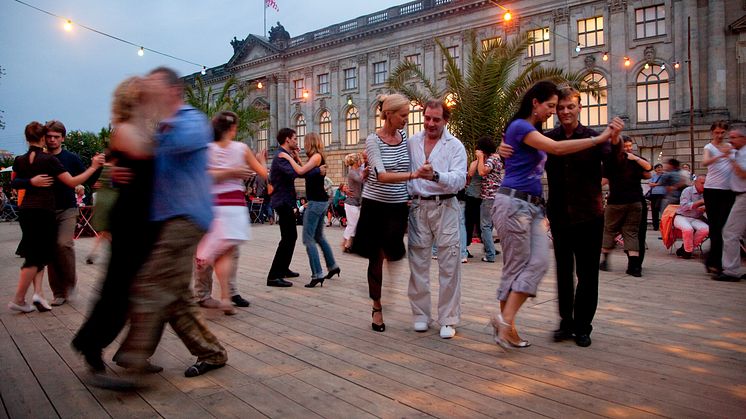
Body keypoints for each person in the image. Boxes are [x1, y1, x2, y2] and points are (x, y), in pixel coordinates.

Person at [490, 81, 623, 350]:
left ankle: (582, 327)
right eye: (557, 107)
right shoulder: (546, 135)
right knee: (559, 271)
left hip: (587, 213)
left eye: (568, 106)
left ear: (579, 107)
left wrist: (614, 140)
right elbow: (524, 153)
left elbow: (614, 165)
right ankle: (559, 323)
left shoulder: (589, 136)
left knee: (583, 273)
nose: (562, 111)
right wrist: (501, 149)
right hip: (551, 212)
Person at [114, 67, 227, 379]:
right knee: (175, 294)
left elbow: (164, 146)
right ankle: (211, 352)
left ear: (173, 91)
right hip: (169, 218)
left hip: (187, 217)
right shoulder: (163, 126)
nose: (148, 95)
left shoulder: (190, 120)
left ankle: (134, 357)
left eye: (153, 88)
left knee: (151, 282)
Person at [72, 76, 159, 378]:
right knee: (118, 288)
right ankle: (90, 342)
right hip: (131, 218)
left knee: (127, 288)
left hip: (143, 216)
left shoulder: (139, 131)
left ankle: (103, 345)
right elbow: (148, 156)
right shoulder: (125, 131)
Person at [352, 93, 430, 332]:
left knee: (393, 254)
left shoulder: (405, 137)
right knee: (376, 257)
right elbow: (381, 176)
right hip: (375, 206)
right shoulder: (373, 141)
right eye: (403, 115)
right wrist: (413, 176)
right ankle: (377, 306)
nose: (406, 119)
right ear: (389, 114)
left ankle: (383, 291)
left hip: (397, 206)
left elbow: (415, 157)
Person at [9, 122, 103, 313]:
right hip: (43, 211)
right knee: (47, 251)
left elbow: (84, 179)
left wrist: (85, 182)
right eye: (49, 136)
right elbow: (16, 181)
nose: (52, 139)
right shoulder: (35, 159)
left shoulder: (70, 158)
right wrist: (31, 182)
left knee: (63, 244)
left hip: (67, 208)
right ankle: (57, 293)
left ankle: (67, 285)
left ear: (63, 138)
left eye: (56, 136)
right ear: (43, 137)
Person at [193, 110, 268, 314]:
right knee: (226, 254)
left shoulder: (206, 149)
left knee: (211, 252)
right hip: (235, 205)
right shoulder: (241, 148)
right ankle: (226, 297)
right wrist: (260, 160)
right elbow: (263, 174)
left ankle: (207, 292)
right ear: (233, 128)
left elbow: (201, 176)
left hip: (212, 205)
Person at [406, 100, 467, 339]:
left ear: (445, 120)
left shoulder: (455, 146)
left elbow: (460, 179)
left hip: (446, 206)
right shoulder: (413, 142)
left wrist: (436, 175)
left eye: (436, 119)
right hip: (419, 206)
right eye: (427, 118)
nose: (431, 123)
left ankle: (448, 318)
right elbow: (406, 171)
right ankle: (421, 315)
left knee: (449, 263)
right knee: (417, 263)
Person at [279, 132, 340, 288]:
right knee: (319, 236)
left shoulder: (316, 157)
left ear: (310, 143)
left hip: (315, 203)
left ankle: (317, 274)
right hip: (321, 201)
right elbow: (306, 174)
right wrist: (298, 159)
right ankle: (332, 266)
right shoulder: (317, 157)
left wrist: (288, 158)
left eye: (305, 142)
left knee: (308, 239)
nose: (302, 144)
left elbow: (300, 172)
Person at [266, 128, 324, 287]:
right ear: (287, 140)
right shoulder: (280, 157)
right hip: (282, 201)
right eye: (294, 138)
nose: (296, 141)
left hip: (286, 201)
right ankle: (273, 276)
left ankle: (283, 269)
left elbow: (300, 171)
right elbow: (298, 174)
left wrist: (297, 158)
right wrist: (318, 170)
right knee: (288, 237)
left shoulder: (286, 156)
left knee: (291, 236)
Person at [600, 137, 652, 277]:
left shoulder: (610, 161)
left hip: (616, 201)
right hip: (635, 201)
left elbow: (603, 181)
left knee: (609, 230)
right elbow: (648, 172)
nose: (629, 148)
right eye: (626, 146)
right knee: (631, 232)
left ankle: (605, 261)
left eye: (630, 146)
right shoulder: (635, 160)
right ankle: (634, 266)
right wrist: (635, 160)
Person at [702, 120, 735, 274]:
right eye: (717, 132)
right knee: (715, 227)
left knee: (724, 227)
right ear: (712, 132)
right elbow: (705, 162)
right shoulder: (708, 147)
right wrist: (721, 155)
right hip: (712, 190)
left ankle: (713, 260)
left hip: (728, 191)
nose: (719, 135)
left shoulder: (730, 148)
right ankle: (714, 262)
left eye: (722, 133)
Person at [716, 128, 746, 281]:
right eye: (730, 137)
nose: (731, 140)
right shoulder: (739, 152)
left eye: (734, 137)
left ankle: (731, 271)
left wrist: (730, 158)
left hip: (744, 196)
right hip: (739, 195)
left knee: (730, 232)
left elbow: (743, 174)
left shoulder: (743, 154)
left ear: (744, 138)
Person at [475, 136, 502, 263]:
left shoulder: (490, 160)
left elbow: (482, 172)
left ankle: (490, 254)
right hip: (497, 196)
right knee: (490, 226)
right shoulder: (497, 158)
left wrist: (480, 158)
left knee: (485, 226)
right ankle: (490, 250)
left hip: (489, 197)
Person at [673, 175, 709, 259]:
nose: (704, 186)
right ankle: (688, 252)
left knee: (706, 229)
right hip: (681, 216)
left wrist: (705, 208)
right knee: (688, 229)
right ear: (695, 183)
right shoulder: (687, 190)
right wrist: (700, 202)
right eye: (702, 183)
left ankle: (686, 248)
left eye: (706, 184)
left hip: (696, 218)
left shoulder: (707, 192)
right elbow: (684, 207)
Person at [342, 152, 363, 252]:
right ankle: (346, 245)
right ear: (355, 161)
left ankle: (348, 244)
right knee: (352, 224)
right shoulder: (352, 172)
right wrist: (366, 173)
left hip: (356, 201)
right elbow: (360, 180)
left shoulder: (357, 170)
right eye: (359, 159)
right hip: (351, 202)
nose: (361, 161)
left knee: (354, 224)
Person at [647, 164, 667, 231]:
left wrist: (655, 184)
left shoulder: (665, 176)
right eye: (658, 168)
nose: (659, 169)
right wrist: (658, 184)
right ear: (655, 169)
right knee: (654, 210)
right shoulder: (653, 176)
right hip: (654, 194)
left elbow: (665, 183)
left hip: (663, 194)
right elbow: (650, 184)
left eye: (661, 167)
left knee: (662, 210)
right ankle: (655, 226)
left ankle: (664, 226)